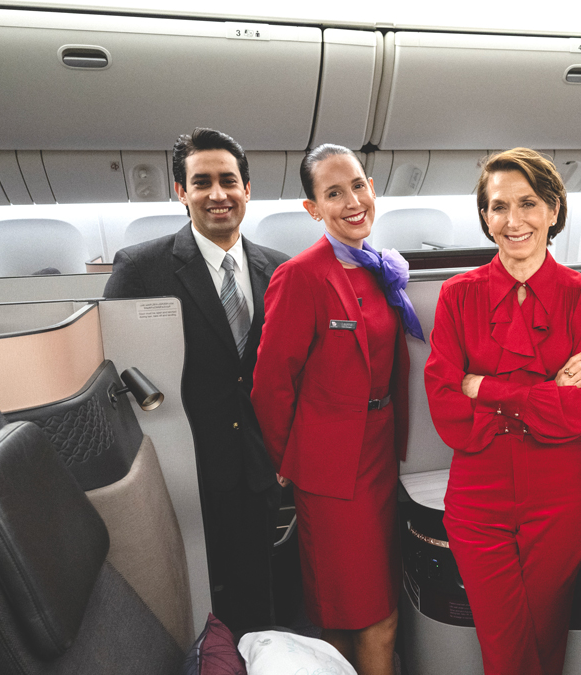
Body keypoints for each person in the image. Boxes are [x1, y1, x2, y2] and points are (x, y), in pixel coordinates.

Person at [424, 148, 581, 675]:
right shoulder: (458, 296)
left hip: (558, 497)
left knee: (547, 641)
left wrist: (484, 387)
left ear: (554, 210)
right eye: (498, 206)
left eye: (528, 203)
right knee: (505, 650)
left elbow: (580, 411)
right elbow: (445, 406)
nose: (513, 220)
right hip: (478, 499)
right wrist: (544, 390)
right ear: (485, 217)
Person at [104, 127, 289, 634]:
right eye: (201, 182)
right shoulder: (141, 267)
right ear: (181, 192)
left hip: (259, 469)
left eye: (229, 180)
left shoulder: (280, 270)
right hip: (184, 465)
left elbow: (293, 374)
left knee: (258, 599)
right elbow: (115, 371)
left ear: (247, 189)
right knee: (195, 602)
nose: (217, 194)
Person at [251, 144, 419, 675]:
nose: (352, 201)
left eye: (359, 186)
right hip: (333, 474)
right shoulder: (301, 276)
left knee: (358, 610)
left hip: (380, 453)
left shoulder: (379, 267)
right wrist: (292, 465)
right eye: (333, 193)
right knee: (368, 615)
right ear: (313, 209)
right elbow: (271, 385)